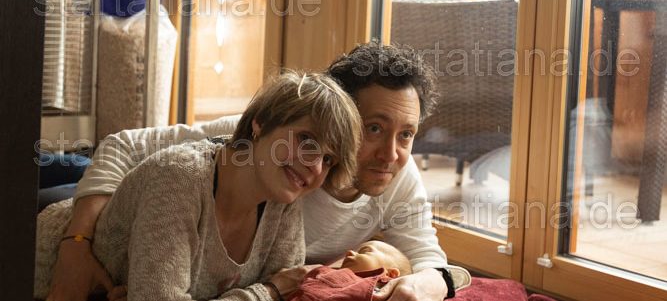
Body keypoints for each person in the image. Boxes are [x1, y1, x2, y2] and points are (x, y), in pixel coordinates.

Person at [47, 42, 461, 301]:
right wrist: (76, 245)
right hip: (99, 209)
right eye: (374, 128)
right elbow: (123, 146)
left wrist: (420, 287)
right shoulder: (252, 143)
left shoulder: (384, 176)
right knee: (55, 169)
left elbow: (434, 262)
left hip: (173, 245)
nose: (390, 154)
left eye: (406, 135)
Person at [35, 71, 361, 301]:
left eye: (328, 159)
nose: (315, 167)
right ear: (260, 123)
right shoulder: (180, 177)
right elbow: (277, 290)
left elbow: (290, 293)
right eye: (306, 140)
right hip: (33, 266)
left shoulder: (284, 201)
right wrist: (268, 292)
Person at [289, 240, 413, 301]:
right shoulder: (326, 273)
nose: (350, 252)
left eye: (365, 251)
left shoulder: (380, 292)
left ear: (391, 274)